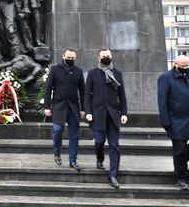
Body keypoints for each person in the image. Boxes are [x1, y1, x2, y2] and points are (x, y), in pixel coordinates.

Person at [157, 55, 189, 191]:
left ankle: (182, 165)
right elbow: (162, 102)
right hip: (176, 120)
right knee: (180, 150)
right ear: (175, 64)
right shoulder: (166, 78)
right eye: (182, 66)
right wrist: (165, 121)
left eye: (187, 66)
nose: (185, 68)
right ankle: (180, 178)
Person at [84, 48, 128, 189]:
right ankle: (100, 158)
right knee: (99, 141)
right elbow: (87, 95)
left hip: (114, 115)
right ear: (98, 58)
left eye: (108, 56)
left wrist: (124, 113)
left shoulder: (118, 74)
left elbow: (122, 96)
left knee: (114, 146)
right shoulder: (92, 74)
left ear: (111, 56)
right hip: (97, 115)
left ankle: (113, 174)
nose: (106, 58)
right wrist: (88, 112)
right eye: (103, 56)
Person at [44, 48, 86, 171]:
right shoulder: (55, 69)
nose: (70, 60)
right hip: (58, 106)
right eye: (68, 58)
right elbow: (48, 89)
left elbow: (83, 92)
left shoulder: (78, 71)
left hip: (73, 107)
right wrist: (47, 106)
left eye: (73, 58)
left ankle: (73, 160)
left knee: (74, 135)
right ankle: (57, 152)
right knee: (57, 130)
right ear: (63, 56)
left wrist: (83, 109)